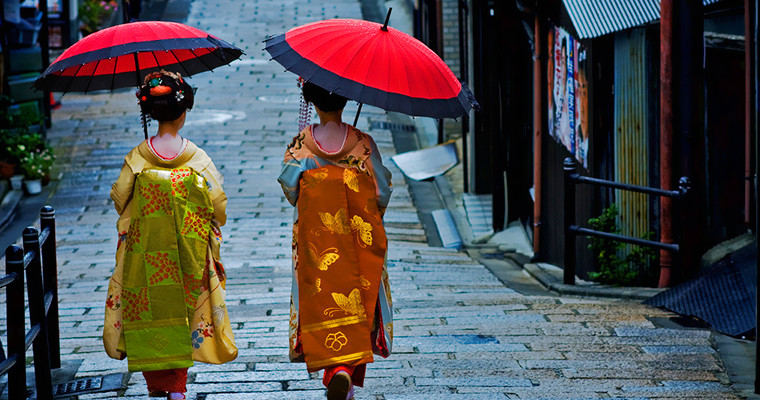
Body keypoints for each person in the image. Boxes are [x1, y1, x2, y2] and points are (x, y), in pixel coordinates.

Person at [103, 70, 237, 400]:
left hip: (145, 252)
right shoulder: (197, 157)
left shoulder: (138, 156)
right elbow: (218, 205)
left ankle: (159, 385)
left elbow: (119, 198)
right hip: (187, 251)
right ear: (183, 112)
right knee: (183, 311)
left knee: (148, 308)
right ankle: (177, 388)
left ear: (150, 113)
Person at [278, 81, 394, 400]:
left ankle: (334, 370)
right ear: (345, 100)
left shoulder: (301, 144)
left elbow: (290, 189)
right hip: (358, 240)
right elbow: (382, 190)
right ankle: (342, 371)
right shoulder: (362, 143)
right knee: (358, 301)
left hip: (316, 242)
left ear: (312, 101)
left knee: (322, 302)